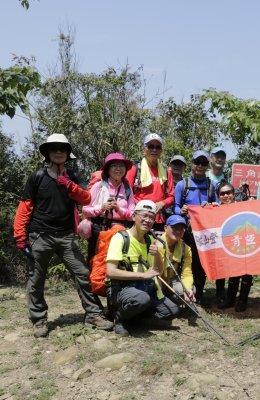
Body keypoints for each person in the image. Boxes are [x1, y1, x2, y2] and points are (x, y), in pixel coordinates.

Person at [13, 134, 113, 337]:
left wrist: (70, 185)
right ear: (48, 153)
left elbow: (86, 199)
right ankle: (39, 319)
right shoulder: (37, 177)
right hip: (40, 235)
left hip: (66, 236)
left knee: (83, 274)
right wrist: (20, 237)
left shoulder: (73, 176)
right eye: (54, 148)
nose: (59, 152)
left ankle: (93, 314)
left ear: (67, 154)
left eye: (63, 149)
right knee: (36, 279)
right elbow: (25, 207)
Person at [106, 200, 179, 336]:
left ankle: (134, 315)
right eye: (144, 216)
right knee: (141, 299)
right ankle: (120, 318)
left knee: (171, 311)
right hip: (122, 288)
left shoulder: (151, 239)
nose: (148, 220)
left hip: (145, 289)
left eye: (151, 217)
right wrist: (142, 276)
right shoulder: (120, 238)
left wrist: (157, 253)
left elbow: (157, 270)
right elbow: (110, 272)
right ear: (134, 216)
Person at [174, 150, 218, 306]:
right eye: (197, 162)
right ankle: (185, 291)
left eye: (203, 163)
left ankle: (199, 292)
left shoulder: (211, 185)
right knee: (187, 260)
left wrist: (211, 206)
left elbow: (217, 206)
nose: (200, 166)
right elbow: (175, 208)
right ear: (191, 164)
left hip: (204, 232)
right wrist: (182, 211)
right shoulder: (182, 184)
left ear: (207, 166)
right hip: (186, 231)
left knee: (201, 263)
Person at [83, 153, 135, 262]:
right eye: (114, 166)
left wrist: (119, 209)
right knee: (96, 260)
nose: (118, 169)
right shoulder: (99, 186)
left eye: (121, 166)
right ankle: (94, 279)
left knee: (117, 261)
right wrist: (101, 208)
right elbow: (85, 210)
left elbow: (133, 215)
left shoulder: (127, 189)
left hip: (121, 231)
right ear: (107, 169)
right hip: (99, 228)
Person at [215, 181, 254, 312]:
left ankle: (243, 300)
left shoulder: (243, 206)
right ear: (218, 196)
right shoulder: (216, 209)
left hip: (246, 243)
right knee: (233, 272)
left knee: (247, 272)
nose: (226, 196)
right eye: (222, 193)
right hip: (229, 245)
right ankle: (230, 299)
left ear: (233, 194)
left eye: (228, 192)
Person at [125, 133, 175, 231]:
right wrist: (144, 206)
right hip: (138, 218)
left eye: (158, 147)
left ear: (161, 151)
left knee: (156, 246)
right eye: (150, 146)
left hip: (158, 220)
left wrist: (162, 203)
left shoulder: (166, 171)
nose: (154, 150)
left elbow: (171, 197)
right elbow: (126, 193)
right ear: (145, 149)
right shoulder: (134, 169)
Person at [159, 215, 195, 305]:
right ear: (165, 228)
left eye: (182, 229)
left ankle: (169, 299)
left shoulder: (186, 248)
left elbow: (187, 272)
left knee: (191, 290)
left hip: (172, 280)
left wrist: (188, 288)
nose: (178, 231)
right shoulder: (156, 243)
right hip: (157, 280)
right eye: (174, 227)